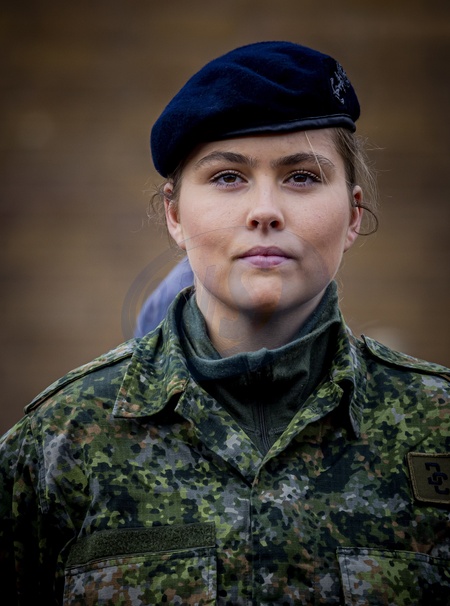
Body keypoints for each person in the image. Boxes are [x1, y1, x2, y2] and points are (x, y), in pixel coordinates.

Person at [1, 41, 449, 605]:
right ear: (174, 214)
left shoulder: (438, 426)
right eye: (228, 177)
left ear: (354, 213)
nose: (265, 211)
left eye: (302, 176)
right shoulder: (59, 440)